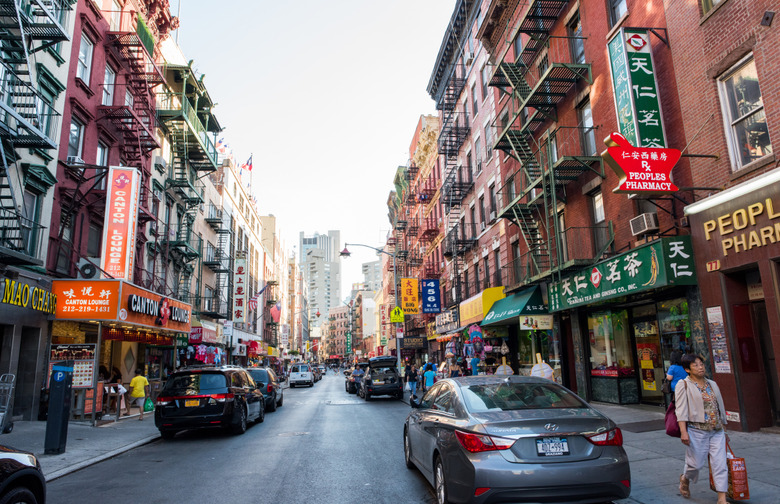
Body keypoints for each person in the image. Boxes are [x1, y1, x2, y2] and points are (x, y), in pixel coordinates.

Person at [675, 354, 728, 504]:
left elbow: (719, 407)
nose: (700, 367)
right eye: (695, 365)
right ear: (687, 369)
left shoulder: (712, 384)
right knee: (695, 465)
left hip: (717, 430)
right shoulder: (683, 384)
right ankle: (685, 479)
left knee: (720, 464)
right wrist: (683, 432)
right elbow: (681, 410)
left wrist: (724, 428)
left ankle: (722, 498)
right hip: (696, 430)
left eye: (701, 364)